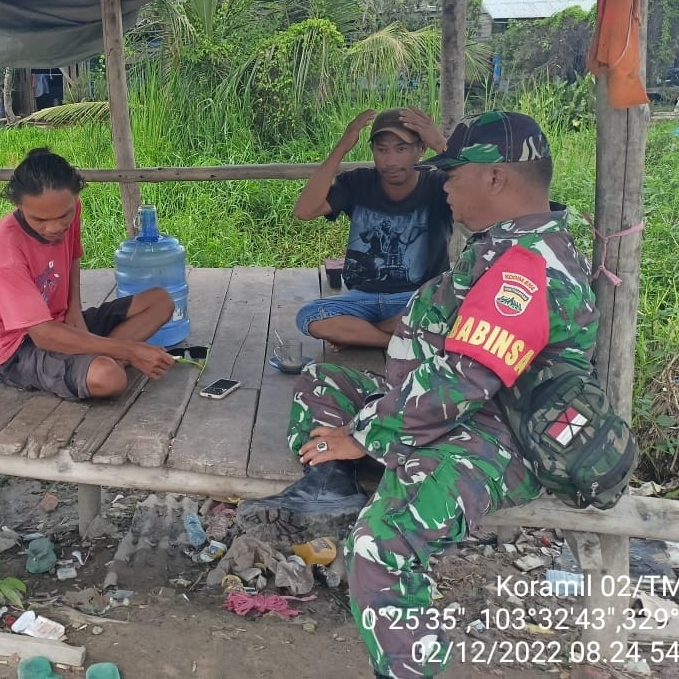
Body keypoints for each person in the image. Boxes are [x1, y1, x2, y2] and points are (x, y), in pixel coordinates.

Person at [239, 112, 598, 679]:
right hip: (435, 405)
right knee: (323, 380)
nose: (446, 186)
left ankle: (409, 664)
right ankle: (334, 486)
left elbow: (457, 388)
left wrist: (360, 437)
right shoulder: (502, 246)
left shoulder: (525, 269)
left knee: (379, 549)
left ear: (496, 178)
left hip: (495, 436)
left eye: (453, 174)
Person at [0, 148, 176, 400]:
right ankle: (106, 360)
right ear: (19, 205)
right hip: (22, 347)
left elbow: (73, 257)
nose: (54, 227)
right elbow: (43, 335)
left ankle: (97, 358)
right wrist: (129, 350)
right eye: (40, 220)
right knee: (109, 378)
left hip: (60, 322)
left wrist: (74, 309)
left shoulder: (70, 206)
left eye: (64, 216)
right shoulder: (5, 253)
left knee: (161, 301)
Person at [293, 108, 452, 350]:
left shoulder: (439, 184)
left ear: (421, 149)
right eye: (382, 149)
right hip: (361, 299)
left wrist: (441, 143)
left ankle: (360, 332)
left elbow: (482, 197)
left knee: (450, 312)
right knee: (309, 316)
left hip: (416, 298)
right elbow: (305, 211)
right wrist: (341, 148)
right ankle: (395, 340)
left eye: (401, 149)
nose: (390, 161)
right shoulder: (358, 182)